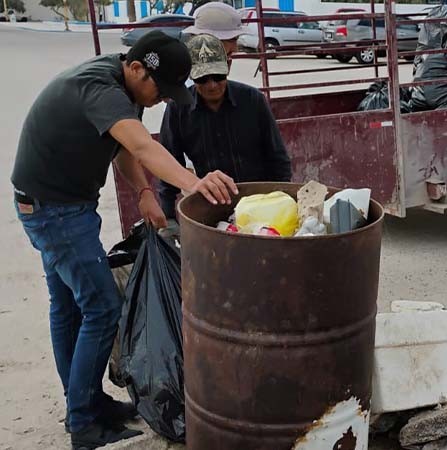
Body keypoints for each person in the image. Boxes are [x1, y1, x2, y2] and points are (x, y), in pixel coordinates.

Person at [11, 31, 238, 450]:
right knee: (102, 307)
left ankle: (86, 402)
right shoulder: (100, 88)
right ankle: (83, 422)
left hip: (62, 205)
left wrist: (145, 192)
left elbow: (121, 148)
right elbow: (140, 145)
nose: (164, 101)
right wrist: (193, 183)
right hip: (53, 211)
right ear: (135, 68)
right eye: (162, 90)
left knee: (68, 307)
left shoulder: (123, 85)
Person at [157, 34, 291, 222]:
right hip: (212, 206)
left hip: (260, 204)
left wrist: (281, 202)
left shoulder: (253, 100)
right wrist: (168, 218)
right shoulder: (178, 109)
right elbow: (169, 164)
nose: (212, 85)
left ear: (228, 66)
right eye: (203, 78)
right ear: (191, 75)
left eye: (218, 77)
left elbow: (278, 160)